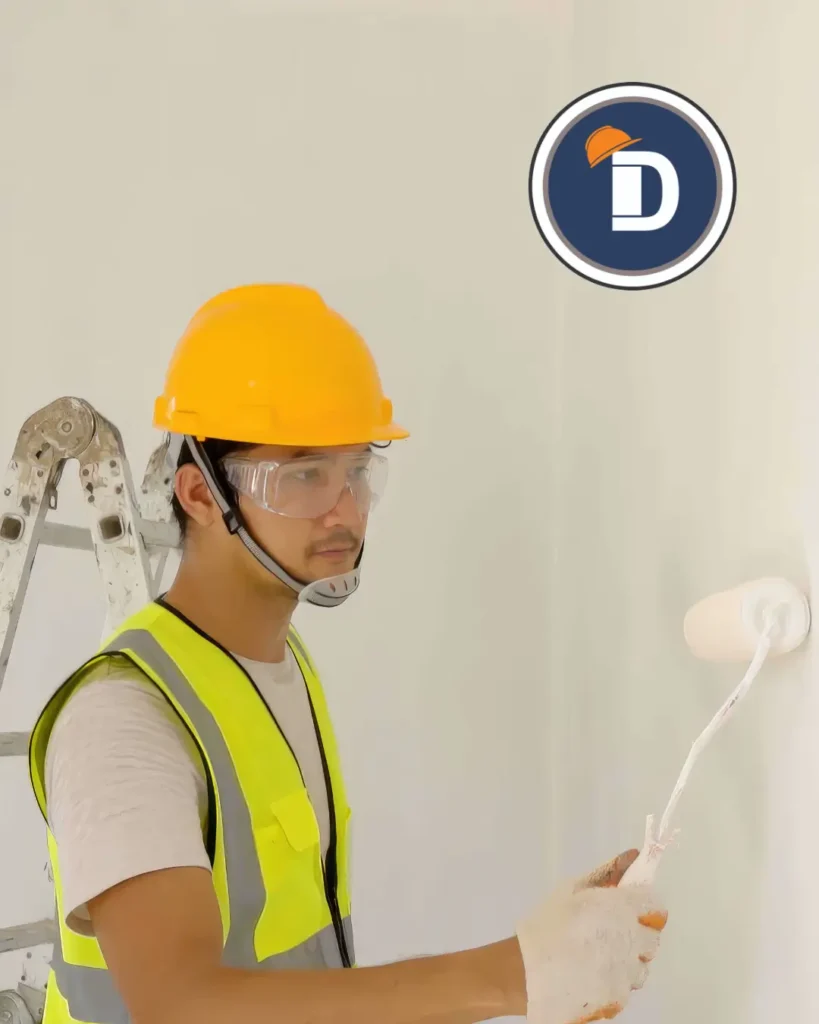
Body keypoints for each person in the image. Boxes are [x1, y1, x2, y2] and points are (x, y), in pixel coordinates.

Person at [28, 283, 667, 1024]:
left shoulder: (279, 668)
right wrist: (515, 974)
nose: (344, 509)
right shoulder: (124, 717)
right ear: (200, 496)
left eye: (357, 470)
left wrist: (548, 952)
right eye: (303, 474)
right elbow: (180, 1004)